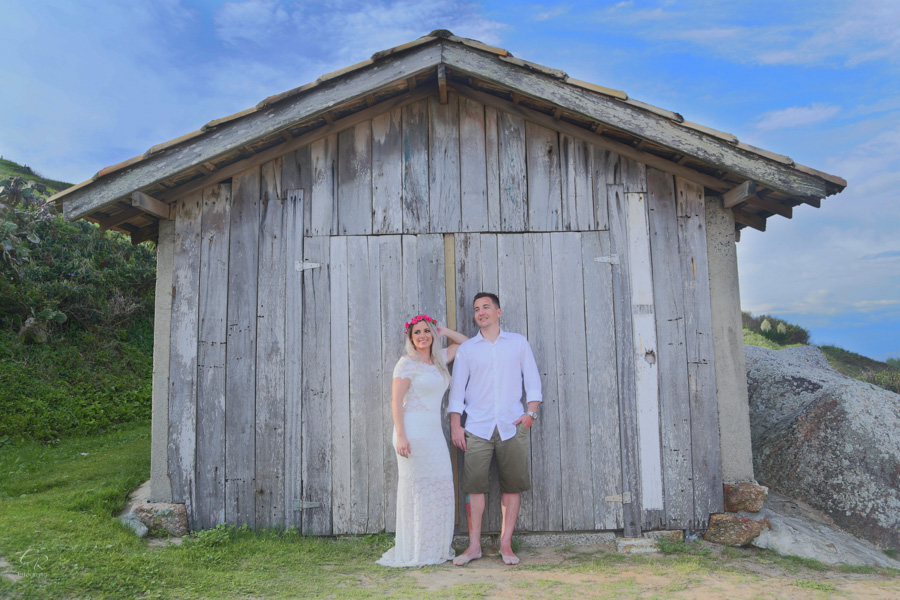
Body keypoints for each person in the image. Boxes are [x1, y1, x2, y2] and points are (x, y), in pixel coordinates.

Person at [448, 292, 542, 566]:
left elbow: (533, 381)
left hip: (512, 425)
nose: (481, 312)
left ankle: (506, 544)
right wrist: (456, 424)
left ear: (498, 312)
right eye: (477, 309)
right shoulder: (468, 349)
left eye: (486, 307)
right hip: (476, 426)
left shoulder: (518, 343)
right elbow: (457, 392)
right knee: (474, 487)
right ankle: (474, 546)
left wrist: (530, 415)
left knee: (511, 487)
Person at [377, 313, 468, 567]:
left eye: (426, 331)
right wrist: (402, 436)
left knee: (439, 485)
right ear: (410, 337)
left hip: (433, 433)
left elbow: (466, 343)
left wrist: (444, 330)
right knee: (416, 489)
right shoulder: (406, 363)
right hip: (412, 432)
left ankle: (433, 547)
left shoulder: (439, 361)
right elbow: (396, 401)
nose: (422, 336)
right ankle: (415, 548)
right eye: (417, 332)